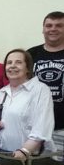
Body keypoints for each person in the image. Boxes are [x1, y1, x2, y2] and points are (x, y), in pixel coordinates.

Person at [0, 49, 55, 158]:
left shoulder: (40, 90)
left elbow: (42, 128)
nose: (12, 66)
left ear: (27, 68)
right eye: (9, 63)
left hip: (25, 159)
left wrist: (24, 151)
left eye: (18, 62)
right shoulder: (2, 92)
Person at [28, 11, 64, 152]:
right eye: (49, 25)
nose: (53, 29)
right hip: (33, 126)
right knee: (31, 164)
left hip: (61, 127)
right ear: (43, 29)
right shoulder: (31, 54)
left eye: (59, 25)